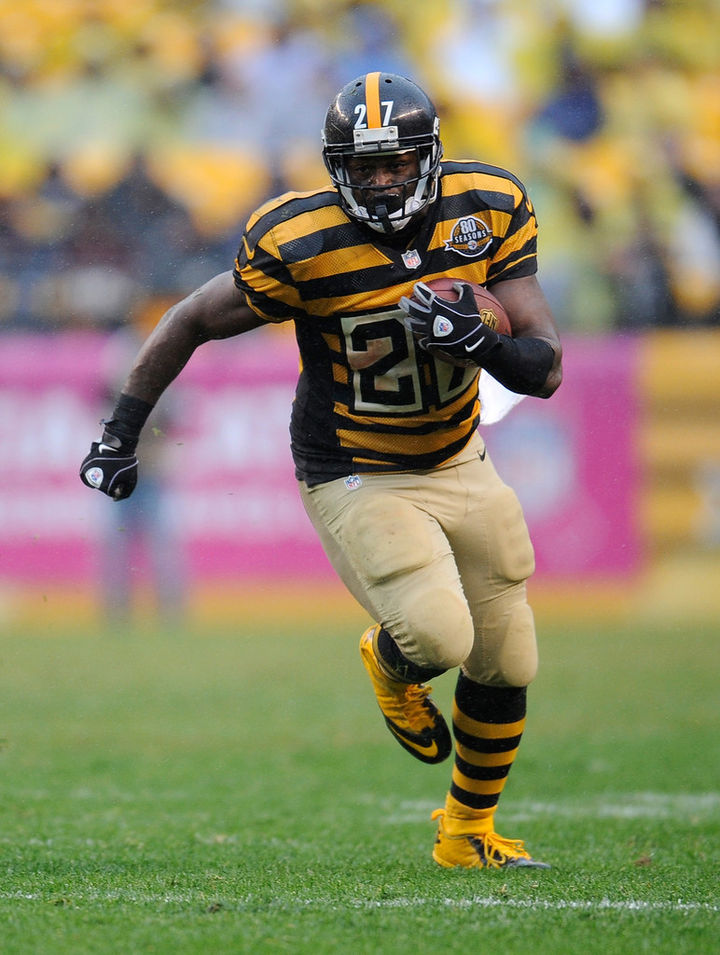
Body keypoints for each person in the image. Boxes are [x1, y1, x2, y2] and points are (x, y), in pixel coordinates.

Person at [80, 72, 562, 870]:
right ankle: (391, 662)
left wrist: (480, 342)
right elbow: (190, 319)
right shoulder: (301, 239)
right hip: (354, 464)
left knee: (509, 656)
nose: (383, 181)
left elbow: (544, 368)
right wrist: (119, 433)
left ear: (430, 157)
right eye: (365, 166)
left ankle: (466, 833)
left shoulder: (488, 205)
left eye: (397, 162)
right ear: (338, 169)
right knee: (439, 633)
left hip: (456, 452)